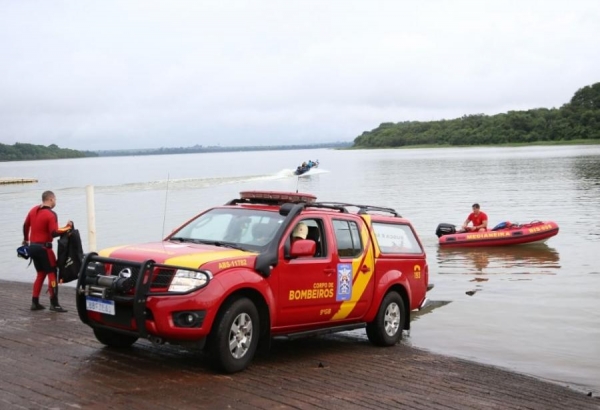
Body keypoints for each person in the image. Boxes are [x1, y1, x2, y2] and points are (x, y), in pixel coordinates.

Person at [23, 190, 73, 312]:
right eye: (55, 199)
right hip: (44, 248)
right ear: (50, 199)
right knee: (52, 274)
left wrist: (26, 240)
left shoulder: (33, 210)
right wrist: (68, 227)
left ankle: (35, 303)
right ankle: (54, 303)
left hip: (33, 247)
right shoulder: (51, 214)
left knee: (40, 274)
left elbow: (25, 225)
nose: (55, 202)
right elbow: (54, 233)